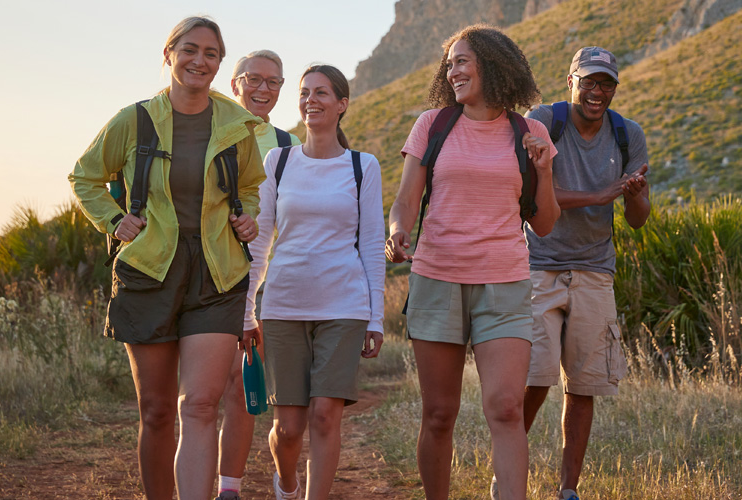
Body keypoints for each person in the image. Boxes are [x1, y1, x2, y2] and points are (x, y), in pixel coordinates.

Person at [69, 17, 265, 500]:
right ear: (169, 54)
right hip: (149, 271)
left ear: (220, 63)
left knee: (199, 405)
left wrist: (249, 219)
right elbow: (84, 177)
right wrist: (115, 223)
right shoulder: (134, 120)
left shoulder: (237, 125)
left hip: (217, 274)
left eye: (211, 54)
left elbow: (250, 188)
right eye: (190, 50)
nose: (200, 61)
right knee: (156, 411)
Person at [385, 25, 560, 500]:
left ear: (493, 62)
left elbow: (544, 223)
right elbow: (404, 201)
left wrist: (543, 170)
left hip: (504, 283)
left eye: (462, 60)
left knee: (505, 408)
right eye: (450, 64)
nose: (453, 70)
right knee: (439, 414)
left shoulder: (532, 133)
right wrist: (397, 231)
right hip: (437, 278)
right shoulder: (433, 124)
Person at [245, 64, 385, 500]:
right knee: (287, 430)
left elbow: (372, 244)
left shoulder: (363, 167)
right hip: (284, 306)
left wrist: (375, 317)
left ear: (342, 104)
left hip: (344, 306)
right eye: (305, 92)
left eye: (322, 93)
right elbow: (262, 238)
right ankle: (287, 484)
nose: (311, 100)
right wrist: (247, 307)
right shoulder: (279, 161)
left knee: (325, 415)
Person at [520, 46, 650, 500]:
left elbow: (637, 217)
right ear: (570, 81)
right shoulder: (544, 120)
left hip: (596, 270)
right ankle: (509, 469)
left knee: (584, 384)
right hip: (539, 266)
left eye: (607, 84)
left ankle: (568, 489)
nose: (598, 92)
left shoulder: (626, 135)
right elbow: (535, 194)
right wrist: (602, 194)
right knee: (534, 379)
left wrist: (632, 193)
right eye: (589, 82)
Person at [216, 49, 301, 500]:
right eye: (254, 79)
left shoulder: (289, 146)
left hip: (266, 281)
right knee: (218, 385)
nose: (264, 89)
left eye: (274, 82)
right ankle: (223, 484)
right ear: (235, 84)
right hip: (209, 275)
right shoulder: (209, 132)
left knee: (252, 385)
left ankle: (256, 483)